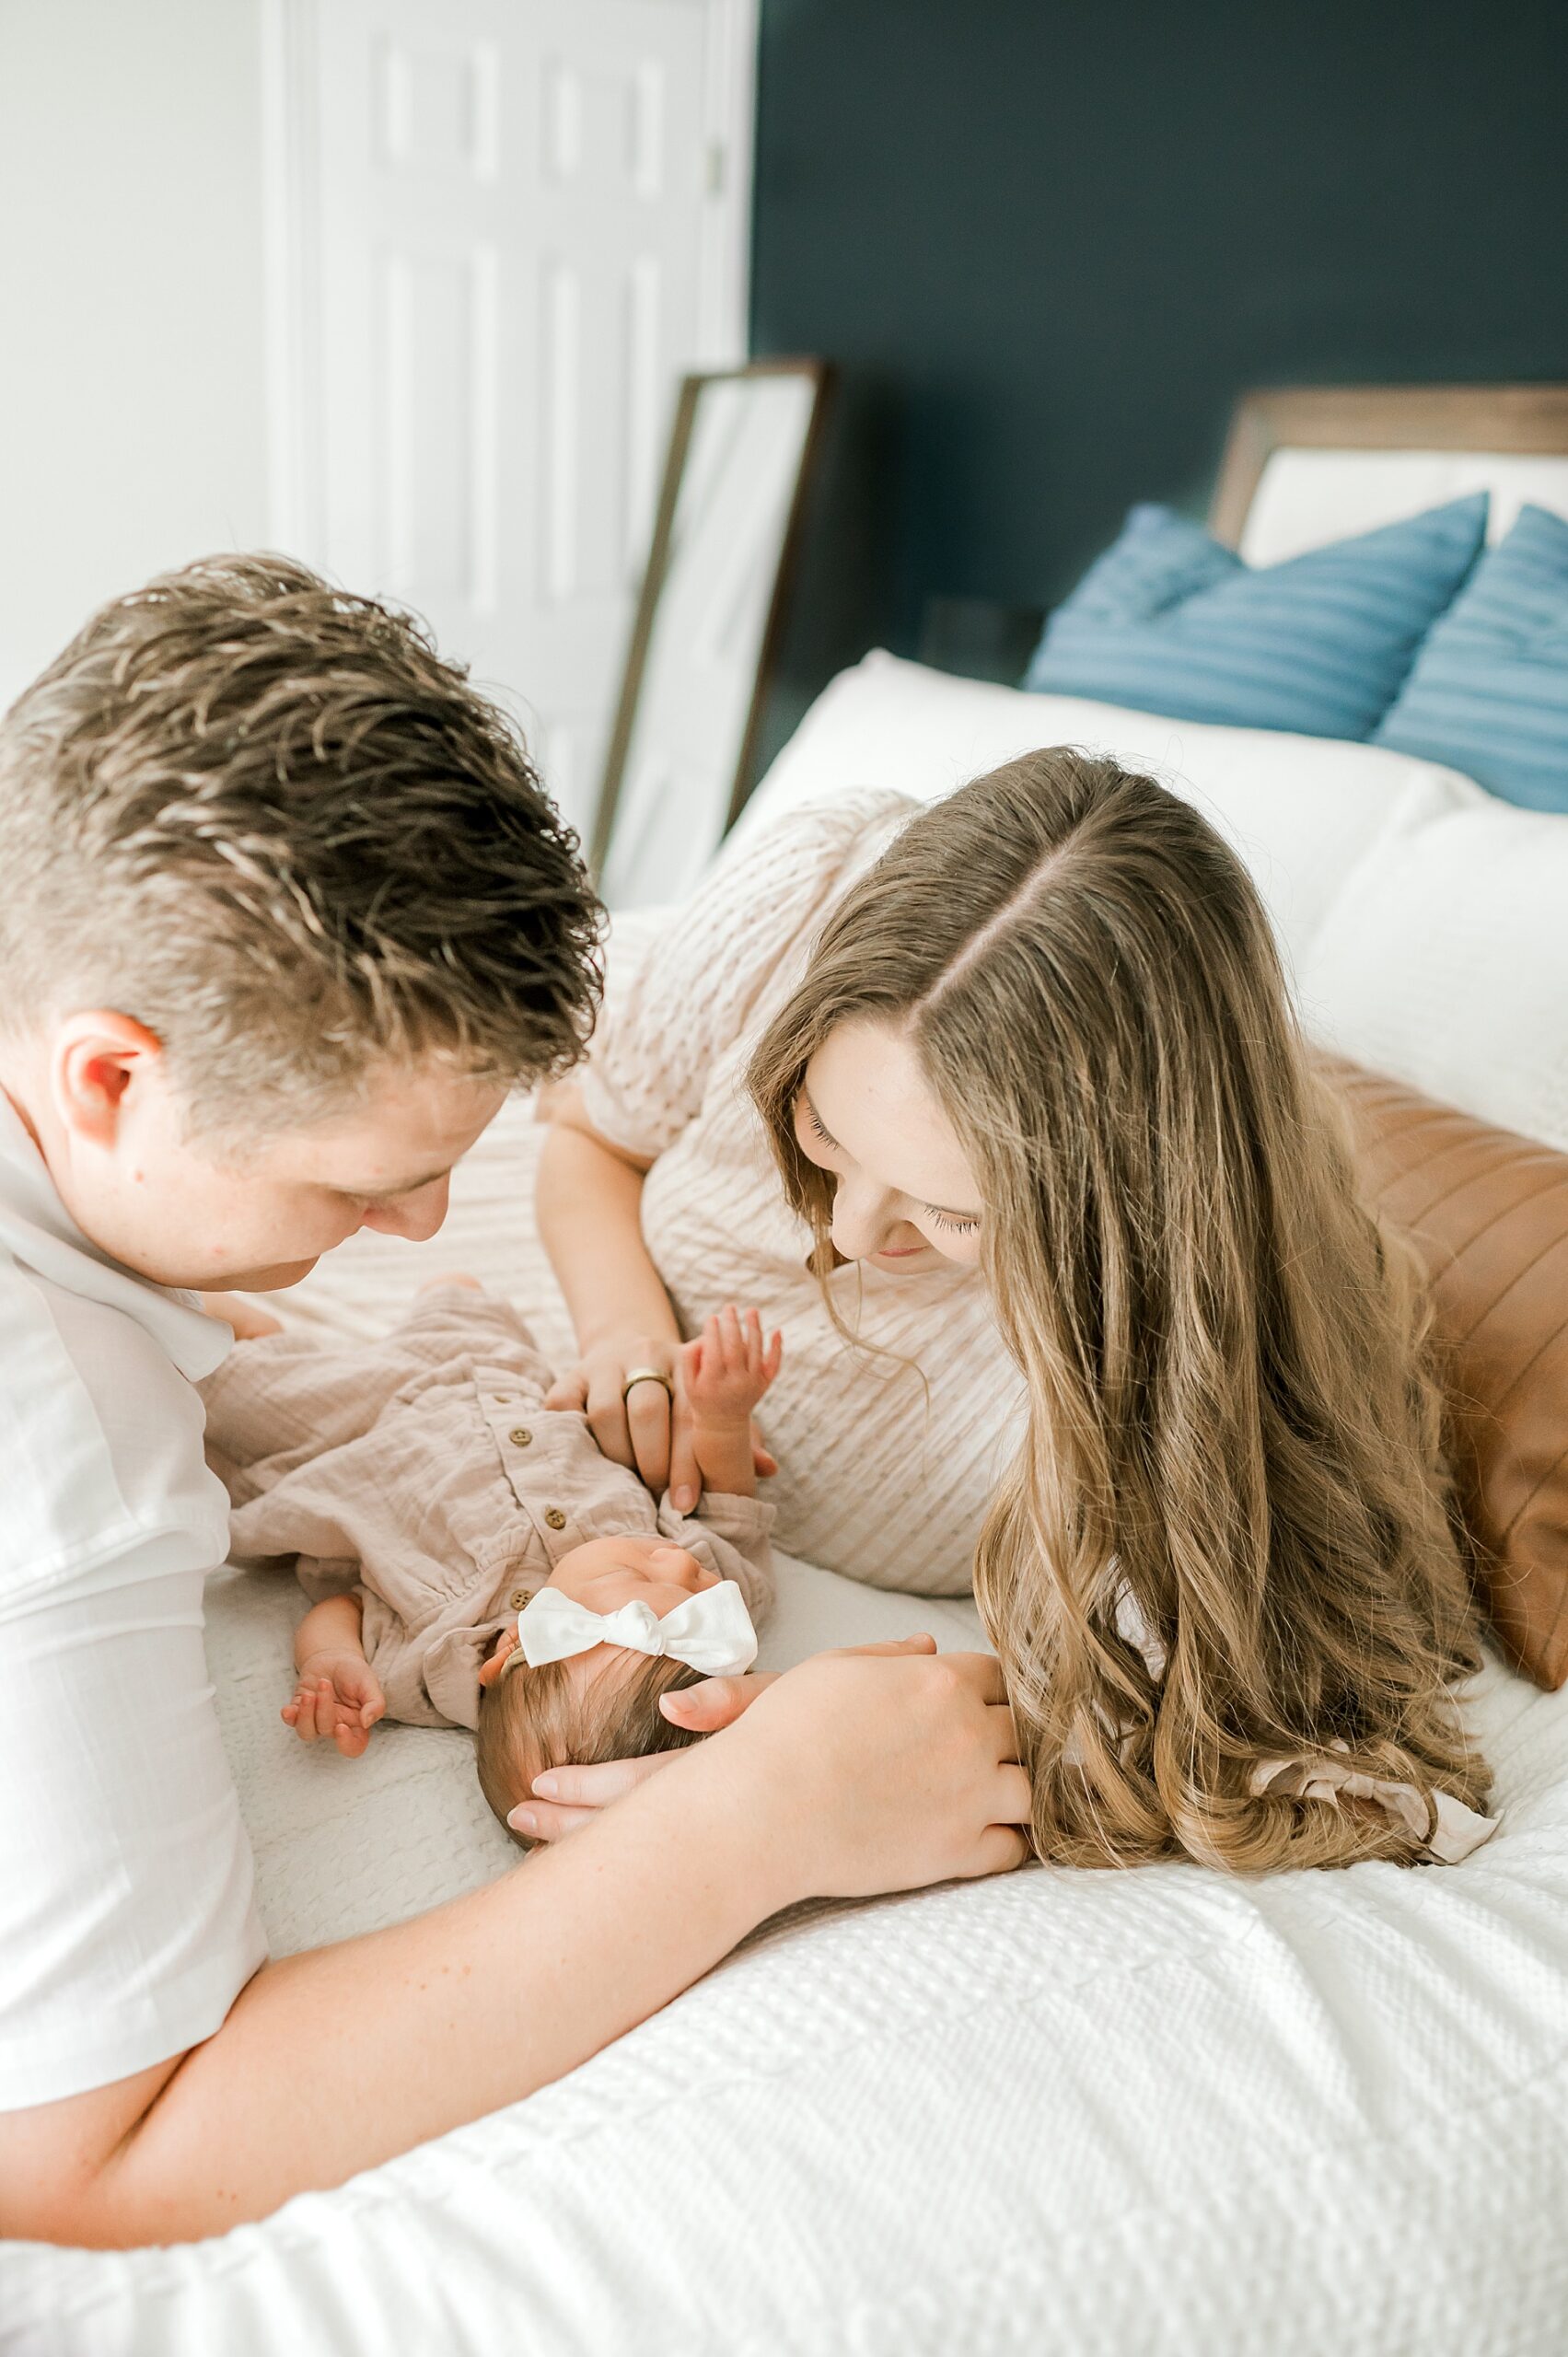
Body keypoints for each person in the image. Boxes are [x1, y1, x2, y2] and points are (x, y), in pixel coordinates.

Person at [0, 559, 1028, 2248]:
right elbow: (85, 2160)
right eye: (368, 1185)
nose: (417, 1232)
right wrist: (749, 1826)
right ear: (112, 1077)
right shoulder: (60, 1443)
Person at [536, 755, 1494, 1871]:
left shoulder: (1172, 1336)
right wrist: (620, 1327)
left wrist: (793, 1769)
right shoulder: (805, 885)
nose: (846, 1237)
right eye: (821, 1133)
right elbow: (589, 1132)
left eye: (950, 1213)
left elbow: (1193, 1714)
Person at [202, 1280, 780, 1835]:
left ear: (509, 1649)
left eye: (639, 1573)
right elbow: (727, 1506)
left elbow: (345, 1606)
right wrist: (723, 1419)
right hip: (502, 1379)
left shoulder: (435, 1663)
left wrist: (331, 1657)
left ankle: (260, 1338)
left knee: (216, 1377)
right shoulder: (725, 1609)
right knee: (460, 1294)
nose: (681, 1565)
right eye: (698, 1585)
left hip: (361, 1424)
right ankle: (429, 1307)